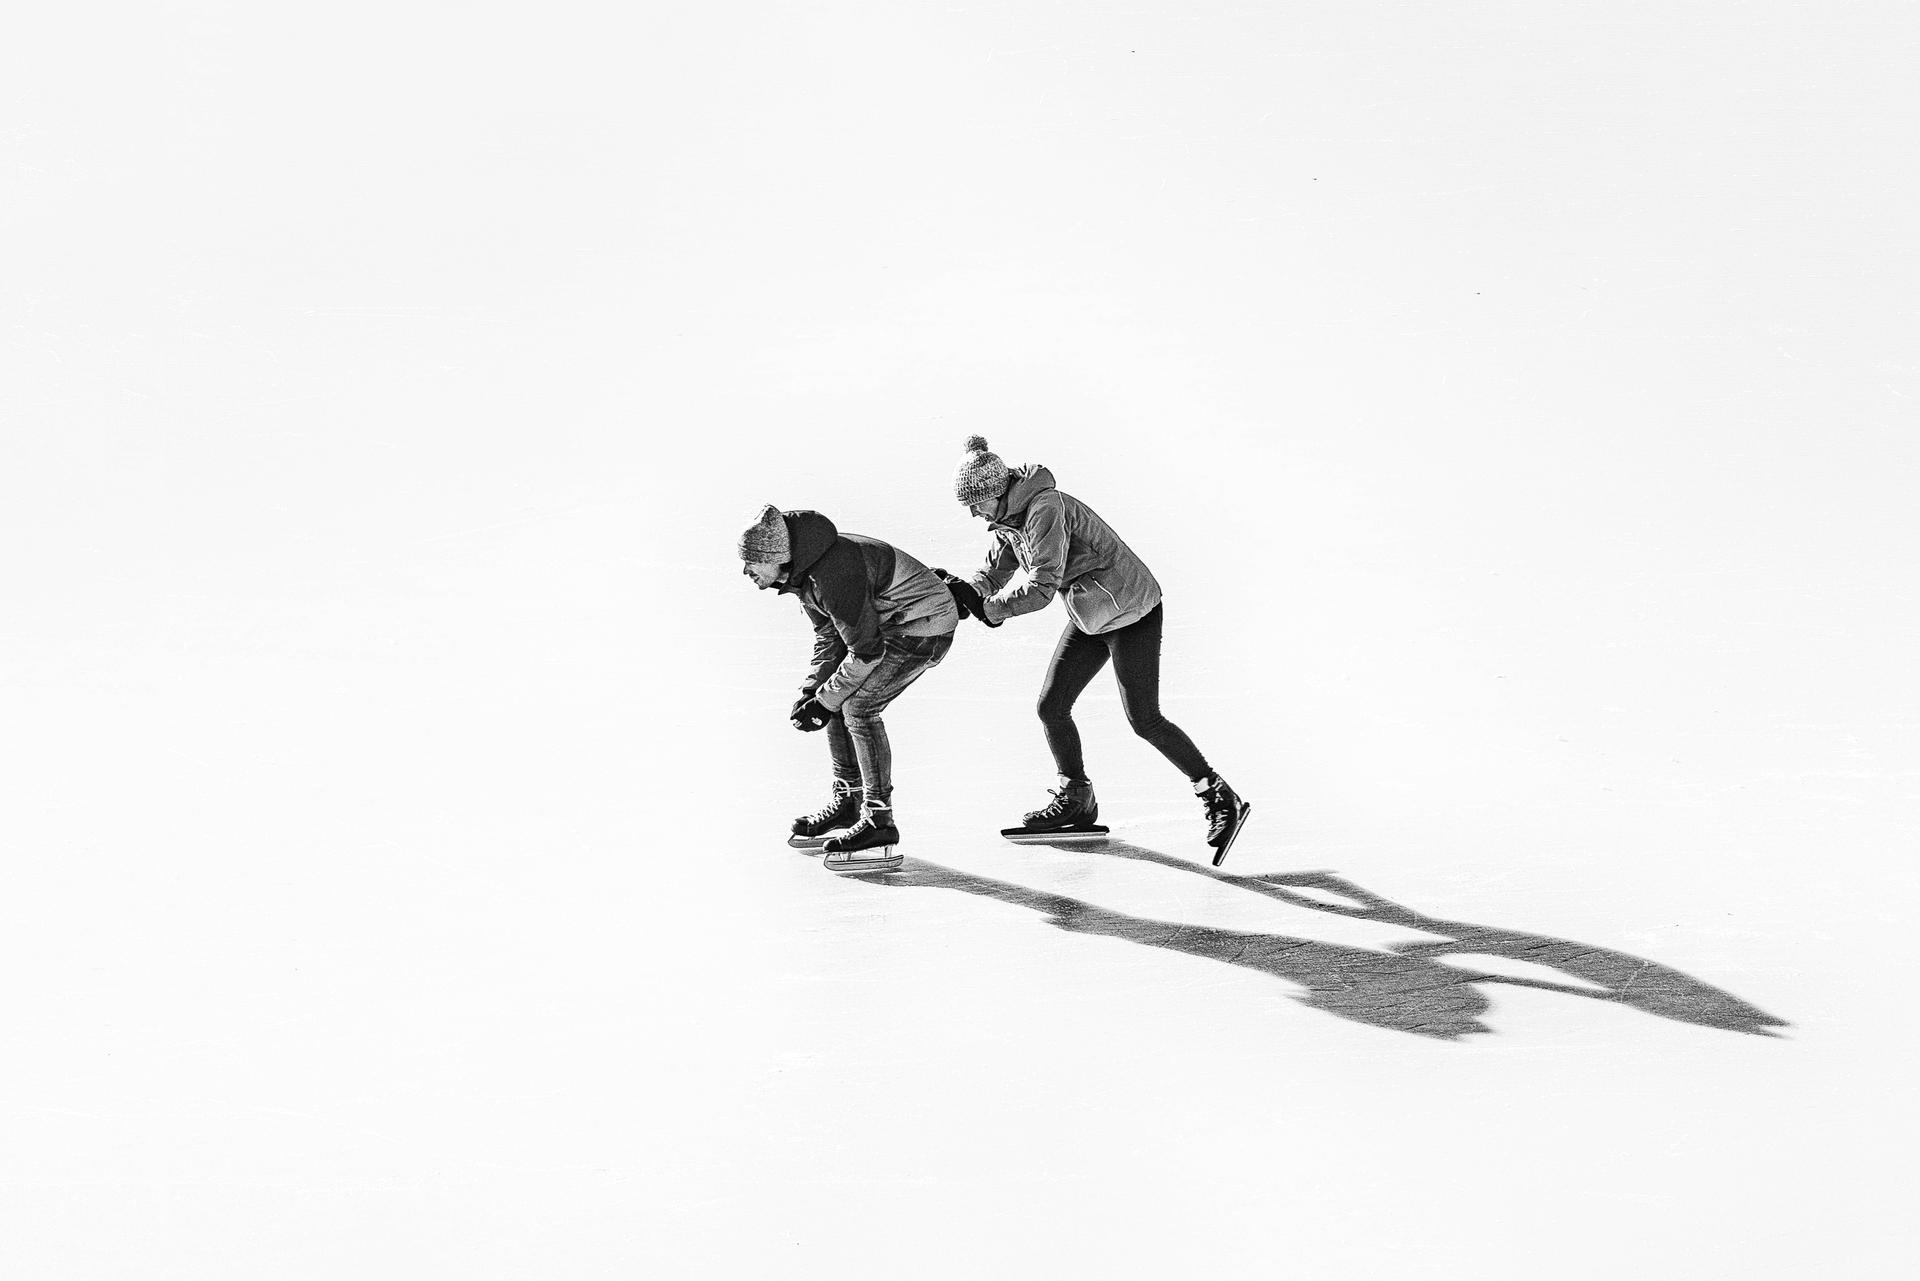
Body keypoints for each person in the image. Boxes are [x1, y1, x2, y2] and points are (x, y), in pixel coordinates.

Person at [933, 437, 1252, 865]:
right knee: (1052, 706)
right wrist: (962, 593)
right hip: (1091, 612)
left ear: (995, 492)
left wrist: (989, 611)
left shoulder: (1046, 508)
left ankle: (1218, 795)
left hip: (1131, 610)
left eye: (975, 504)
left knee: (1145, 719)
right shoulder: (1011, 518)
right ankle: (1076, 799)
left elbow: (1043, 586)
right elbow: (994, 570)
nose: (973, 514)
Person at [738, 503, 958, 874]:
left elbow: (866, 651)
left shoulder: (831, 574)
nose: (746, 571)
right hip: (892, 624)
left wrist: (825, 702)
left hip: (924, 627)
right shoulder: (803, 573)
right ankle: (849, 800)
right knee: (836, 697)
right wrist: (813, 690)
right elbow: (830, 633)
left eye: (752, 562)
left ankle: (878, 820)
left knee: (858, 707)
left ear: (776, 557)